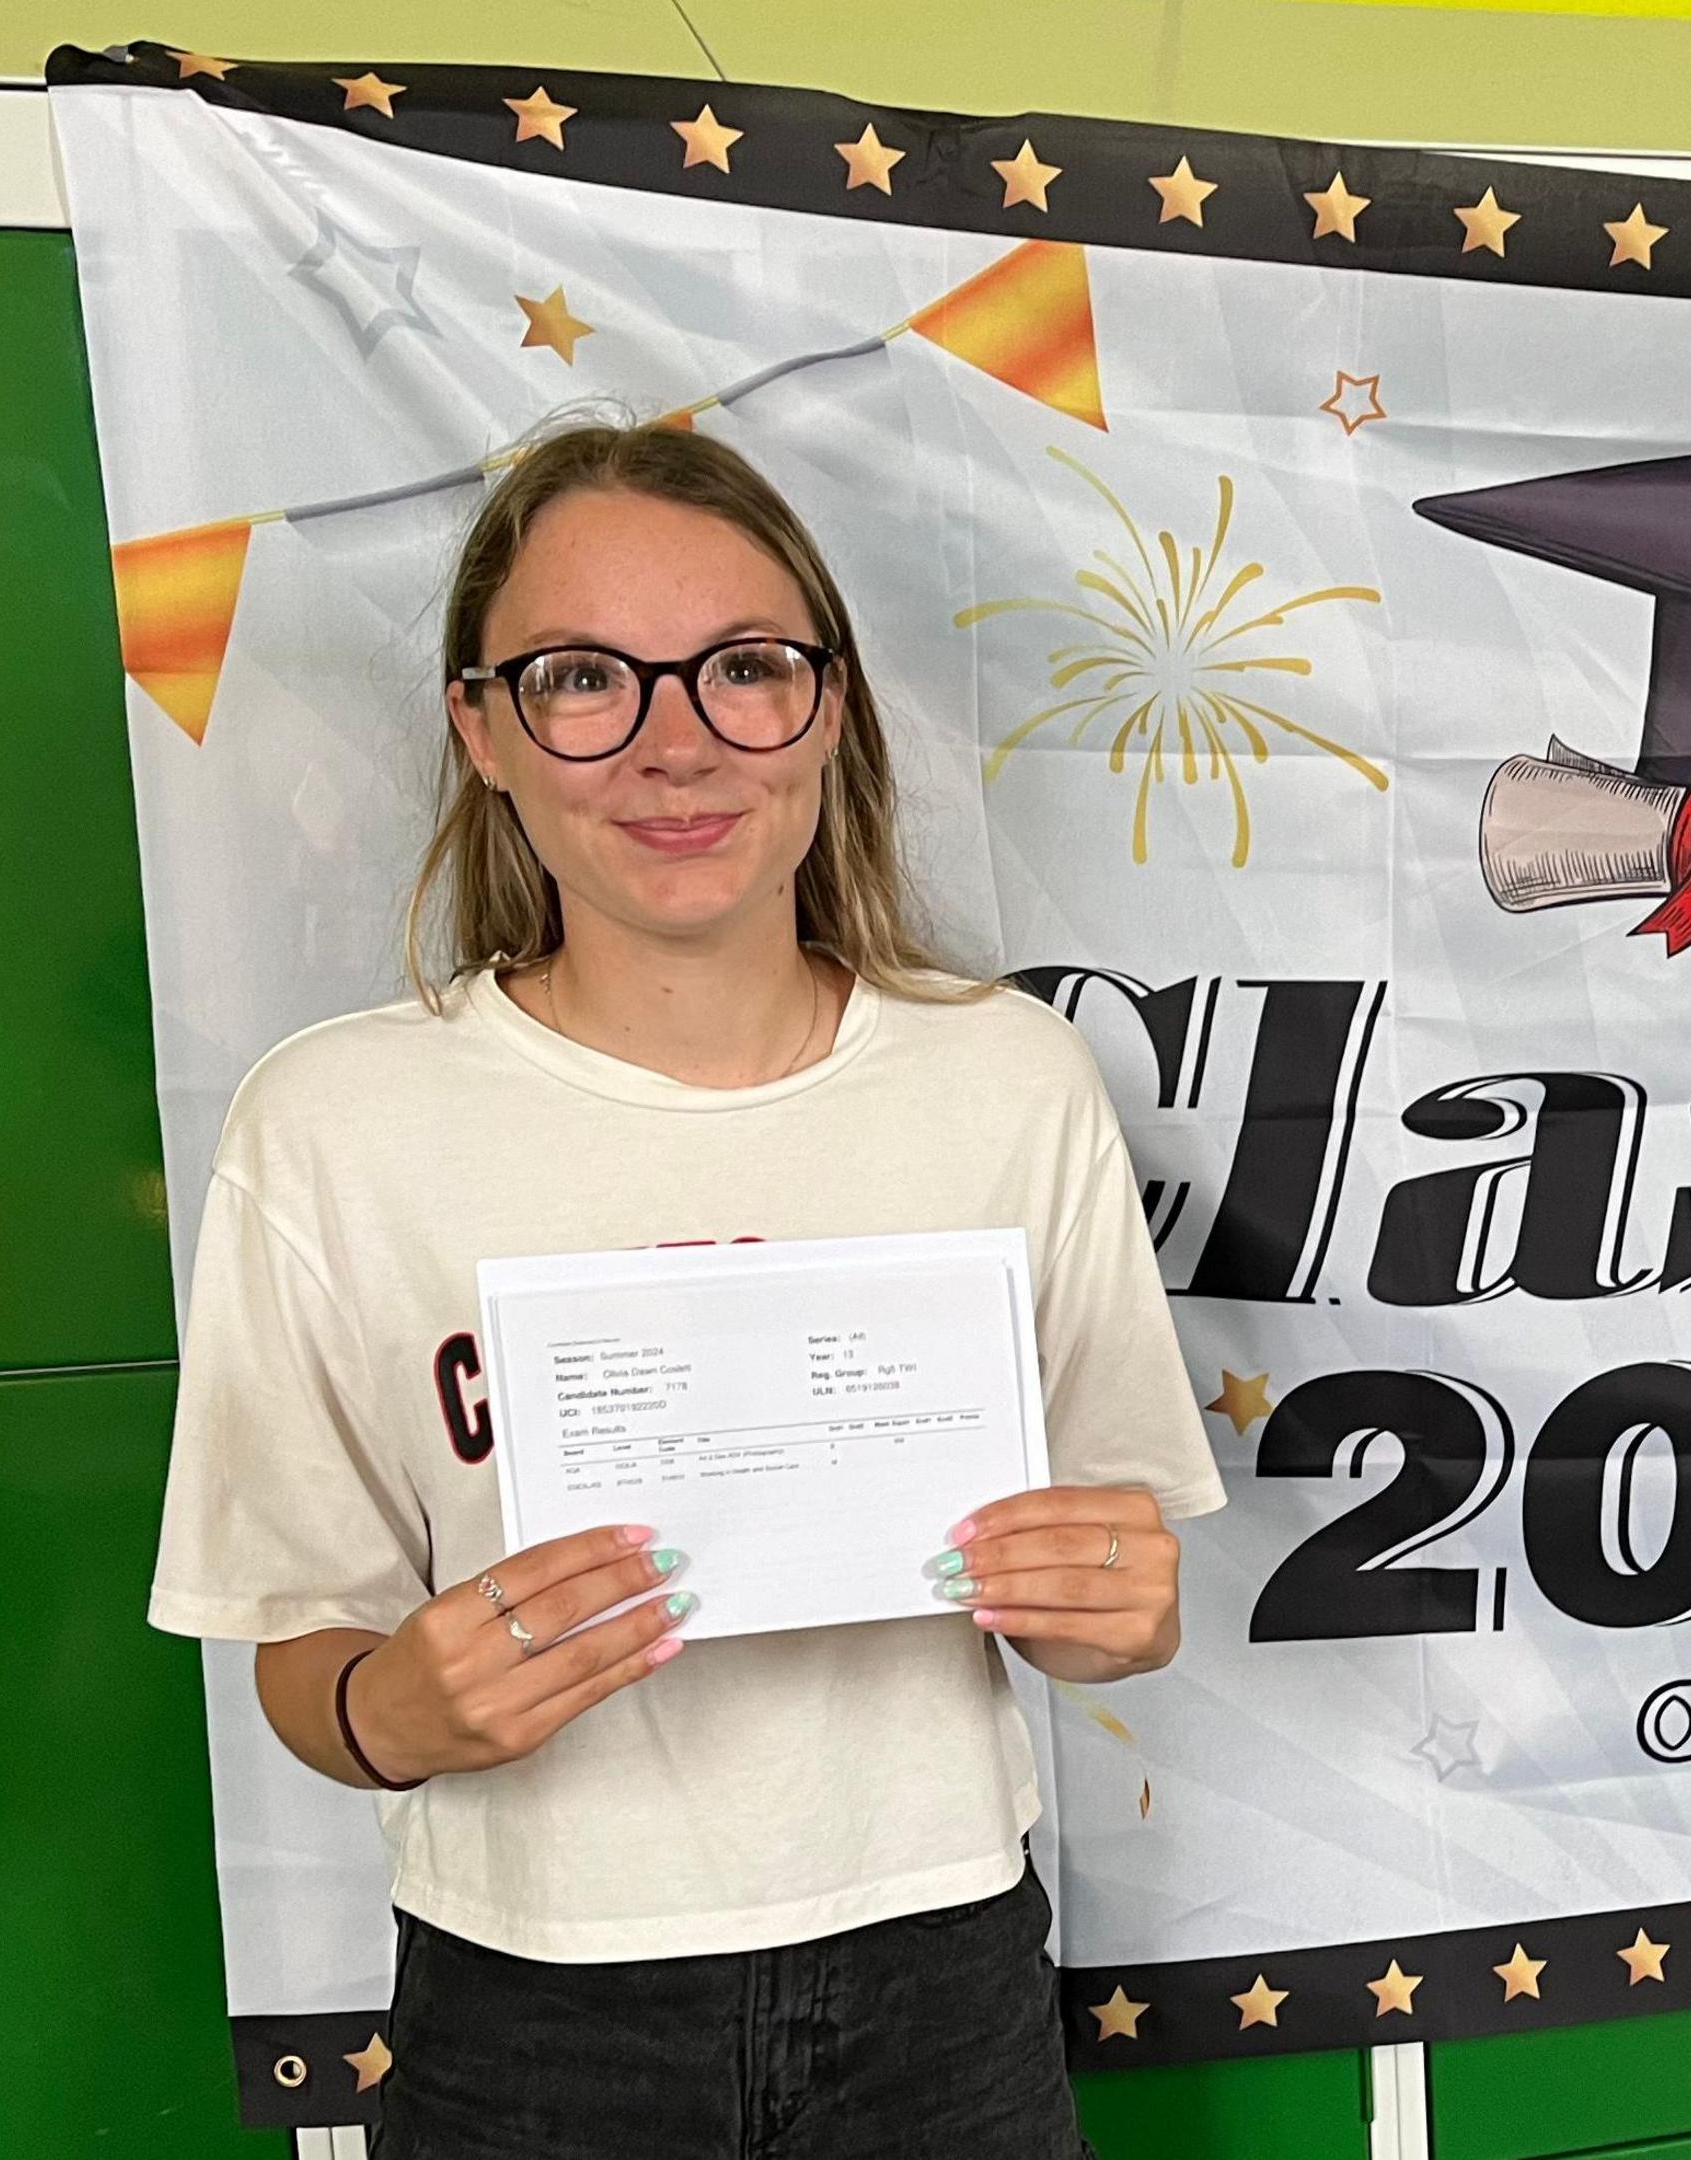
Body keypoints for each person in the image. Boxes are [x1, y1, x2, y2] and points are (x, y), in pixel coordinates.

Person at [146, 420, 1223, 2159]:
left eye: (744, 669)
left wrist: (1120, 1602)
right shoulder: (334, 1124)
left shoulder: (1011, 1080)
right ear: (482, 728)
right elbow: (297, 1647)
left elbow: (1127, 1578)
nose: (675, 745)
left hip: (944, 1975)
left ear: (830, 706)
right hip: (537, 2002)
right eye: (585, 679)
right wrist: (393, 1713)